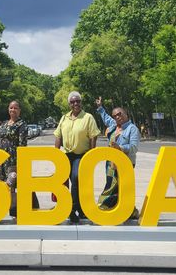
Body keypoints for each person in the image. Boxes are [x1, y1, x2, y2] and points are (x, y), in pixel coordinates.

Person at [54, 91, 100, 223]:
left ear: (81, 102)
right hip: (67, 155)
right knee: (65, 182)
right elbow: (58, 136)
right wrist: (56, 154)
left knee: (76, 178)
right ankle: (79, 209)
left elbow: (93, 136)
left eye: (78, 101)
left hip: (81, 155)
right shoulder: (64, 118)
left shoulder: (88, 117)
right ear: (69, 104)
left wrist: (91, 155)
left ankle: (72, 209)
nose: (76, 104)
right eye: (73, 102)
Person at [95, 96, 140, 219]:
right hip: (111, 163)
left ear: (126, 114)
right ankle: (130, 210)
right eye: (115, 116)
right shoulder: (115, 125)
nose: (117, 117)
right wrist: (100, 107)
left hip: (125, 163)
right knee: (116, 186)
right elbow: (106, 118)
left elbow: (134, 147)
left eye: (119, 114)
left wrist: (120, 147)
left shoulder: (132, 129)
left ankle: (104, 206)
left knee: (116, 187)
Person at [0, 100, 39, 217]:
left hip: (14, 160)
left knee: (16, 183)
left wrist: (21, 161)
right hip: (3, 161)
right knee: (6, 185)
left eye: (15, 108)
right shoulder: (4, 124)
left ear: (19, 110)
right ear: (8, 109)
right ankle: (11, 208)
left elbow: (22, 144)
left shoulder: (22, 124)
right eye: (11, 108)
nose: (13, 110)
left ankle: (24, 208)